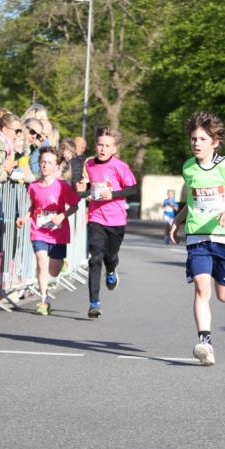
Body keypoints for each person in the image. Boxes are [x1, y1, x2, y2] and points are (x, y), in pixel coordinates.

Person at [169, 111, 225, 366]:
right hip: (197, 237)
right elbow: (192, 201)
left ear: (215, 142)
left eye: (202, 139)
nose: (196, 143)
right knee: (201, 288)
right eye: (193, 139)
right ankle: (205, 342)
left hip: (224, 238)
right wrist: (177, 220)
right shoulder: (189, 167)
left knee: (224, 296)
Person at [76, 126, 137, 319]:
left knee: (110, 256)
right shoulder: (89, 165)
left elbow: (132, 189)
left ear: (114, 149)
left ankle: (111, 270)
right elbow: (87, 190)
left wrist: (113, 194)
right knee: (95, 259)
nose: (102, 149)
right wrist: (80, 190)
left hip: (116, 220)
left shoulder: (120, 167)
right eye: (100, 144)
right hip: (96, 217)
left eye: (107, 146)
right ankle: (94, 303)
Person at [16, 147, 80, 315]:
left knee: (54, 271)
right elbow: (34, 206)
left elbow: (75, 205)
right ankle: (43, 300)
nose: (45, 165)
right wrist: (25, 217)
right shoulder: (34, 186)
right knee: (41, 262)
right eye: (43, 161)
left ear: (56, 166)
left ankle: (61, 261)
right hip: (39, 230)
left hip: (58, 232)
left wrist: (62, 216)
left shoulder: (62, 186)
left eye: (49, 163)